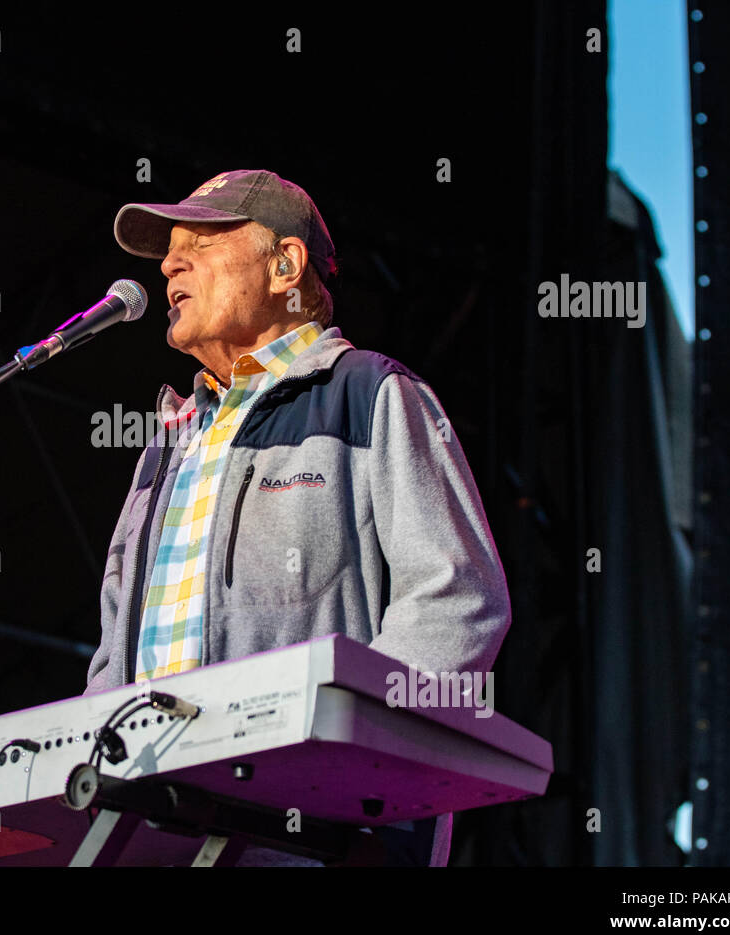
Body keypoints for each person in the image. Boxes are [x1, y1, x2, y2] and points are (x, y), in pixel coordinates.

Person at [85, 169, 511, 866]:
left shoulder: (373, 395)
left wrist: (333, 760)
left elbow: (457, 601)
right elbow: (112, 656)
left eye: (201, 241)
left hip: (309, 838)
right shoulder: (168, 443)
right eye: (169, 250)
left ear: (286, 264)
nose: (168, 264)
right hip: (147, 838)